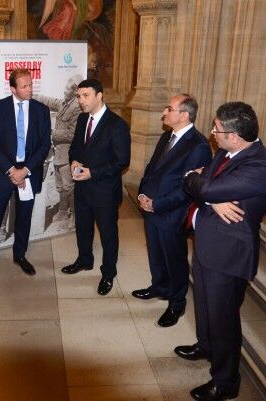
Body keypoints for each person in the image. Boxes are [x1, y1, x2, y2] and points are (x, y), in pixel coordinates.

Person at [175, 102, 266, 401]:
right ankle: (206, 347)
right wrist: (210, 193)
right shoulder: (227, 151)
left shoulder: (261, 166)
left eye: (217, 129)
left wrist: (206, 189)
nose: (212, 133)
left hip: (228, 253)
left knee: (223, 319)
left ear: (234, 136)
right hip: (208, 243)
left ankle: (226, 382)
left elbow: (201, 184)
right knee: (204, 305)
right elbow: (201, 182)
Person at [133, 94, 212, 327]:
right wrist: (142, 194)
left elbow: (189, 188)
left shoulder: (198, 145)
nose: (164, 112)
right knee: (155, 252)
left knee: (174, 259)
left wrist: (157, 204)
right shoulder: (167, 136)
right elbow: (151, 169)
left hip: (172, 212)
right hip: (150, 206)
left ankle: (177, 302)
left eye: (169, 108)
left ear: (184, 115)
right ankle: (159, 286)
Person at [0, 69, 51, 288]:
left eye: (31, 84)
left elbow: (44, 146)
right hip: (4, 172)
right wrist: (12, 170)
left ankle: (20, 255)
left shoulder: (41, 110)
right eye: (24, 86)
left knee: (24, 216)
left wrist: (25, 170)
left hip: (29, 172)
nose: (30, 89)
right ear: (13, 89)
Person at [61, 78, 131, 296]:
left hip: (105, 191)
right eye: (78, 96)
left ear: (99, 96)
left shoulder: (117, 125)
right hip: (82, 188)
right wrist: (74, 160)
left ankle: (108, 273)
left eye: (86, 96)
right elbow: (75, 147)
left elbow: (122, 161)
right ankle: (84, 260)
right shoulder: (83, 119)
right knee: (83, 227)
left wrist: (93, 172)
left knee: (108, 234)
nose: (81, 101)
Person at [34, 74, 83, 226]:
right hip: (59, 154)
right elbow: (52, 102)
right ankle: (62, 211)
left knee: (70, 186)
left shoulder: (78, 107)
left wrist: (51, 133)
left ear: (74, 91)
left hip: (69, 155)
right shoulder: (66, 103)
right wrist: (34, 96)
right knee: (60, 185)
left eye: (67, 89)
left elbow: (73, 134)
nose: (64, 91)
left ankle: (75, 215)